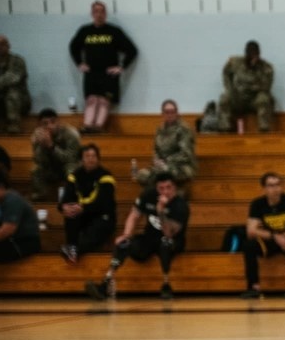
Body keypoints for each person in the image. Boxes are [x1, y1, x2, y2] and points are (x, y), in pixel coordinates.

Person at [85, 172, 189, 300]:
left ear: (174, 188)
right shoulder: (148, 195)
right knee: (124, 243)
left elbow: (168, 233)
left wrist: (160, 211)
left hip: (173, 242)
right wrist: (127, 234)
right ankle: (105, 283)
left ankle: (166, 285)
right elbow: (134, 215)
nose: (165, 192)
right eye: (161, 188)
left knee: (165, 243)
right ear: (156, 188)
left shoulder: (181, 205)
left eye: (169, 187)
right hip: (150, 238)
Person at [68, 0, 138, 134]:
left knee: (104, 101)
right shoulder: (85, 31)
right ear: (92, 13)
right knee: (91, 100)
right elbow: (73, 47)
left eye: (102, 11)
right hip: (91, 73)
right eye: (96, 11)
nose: (99, 14)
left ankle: (98, 128)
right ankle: (87, 126)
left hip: (108, 74)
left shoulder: (114, 32)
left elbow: (132, 50)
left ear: (105, 14)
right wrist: (79, 63)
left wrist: (121, 67)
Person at [240, 172, 285, 299]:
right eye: (271, 185)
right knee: (249, 245)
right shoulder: (257, 204)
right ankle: (253, 287)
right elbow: (251, 231)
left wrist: (283, 237)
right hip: (269, 241)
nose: (275, 189)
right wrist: (275, 236)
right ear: (264, 188)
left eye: (277, 185)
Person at [58, 143, 116, 263]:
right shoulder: (74, 176)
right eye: (87, 156)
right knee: (71, 213)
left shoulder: (106, 176)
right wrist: (63, 207)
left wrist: (83, 208)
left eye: (93, 156)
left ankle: (75, 249)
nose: (90, 159)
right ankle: (73, 248)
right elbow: (65, 198)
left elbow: (103, 203)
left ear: (98, 159)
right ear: (81, 160)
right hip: (83, 215)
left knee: (96, 229)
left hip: (102, 216)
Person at [134, 99, 196, 190]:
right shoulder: (160, 130)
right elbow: (156, 150)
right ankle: (156, 196)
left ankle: (174, 195)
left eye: (172, 112)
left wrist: (166, 161)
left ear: (177, 113)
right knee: (142, 175)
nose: (170, 114)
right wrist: (157, 160)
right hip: (162, 166)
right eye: (167, 112)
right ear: (162, 114)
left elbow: (186, 154)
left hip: (182, 166)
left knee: (163, 173)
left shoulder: (184, 129)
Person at [217, 40, 274, 133]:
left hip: (254, 99)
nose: (254, 58)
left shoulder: (266, 68)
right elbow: (226, 72)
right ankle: (224, 129)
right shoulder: (235, 63)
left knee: (264, 98)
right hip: (238, 98)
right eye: (251, 55)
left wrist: (250, 87)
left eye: (256, 55)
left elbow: (266, 87)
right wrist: (230, 88)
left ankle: (264, 129)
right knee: (224, 98)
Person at [30, 108, 82, 201]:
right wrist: (41, 146)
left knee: (72, 170)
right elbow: (38, 160)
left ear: (58, 122)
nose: (50, 126)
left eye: (52, 122)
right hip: (51, 168)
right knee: (36, 169)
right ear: (40, 126)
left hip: (67, 166)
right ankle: (41, 197)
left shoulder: (71, 134)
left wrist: (51, 146)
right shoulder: (37, 136)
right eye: (45, 124)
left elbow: (70, 158)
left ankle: (72, 197)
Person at [0, 164, 41, 262]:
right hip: (8, 242)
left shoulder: (12, 200)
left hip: (24, 242)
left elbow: (7, 230)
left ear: (0, 186)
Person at [0, 35, 32, 134]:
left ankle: (13, 126)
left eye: (2, 44)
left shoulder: (17, 61)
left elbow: (11, 78)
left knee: (12, 91)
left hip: (20, 102)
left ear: (8, 46)